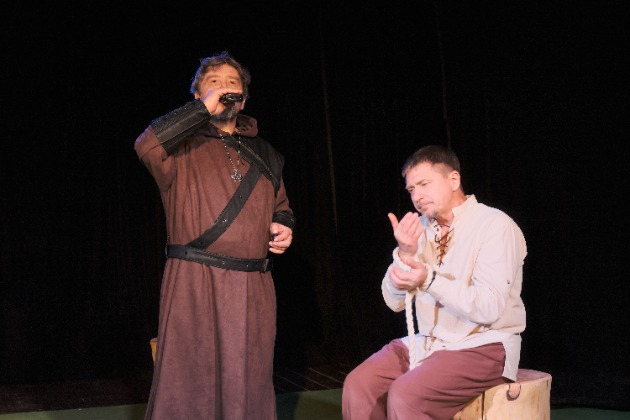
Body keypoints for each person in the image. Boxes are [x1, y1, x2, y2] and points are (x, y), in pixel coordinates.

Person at [134, 51, 295, 420]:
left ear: (244, 99)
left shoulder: (267, 154)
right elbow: (146, 146)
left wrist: (283, 223)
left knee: (248, 379)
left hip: (252, 286)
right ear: (198, 96)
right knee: (190, 380)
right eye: (214, 83)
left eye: (232, 83)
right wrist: (202, 111)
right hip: (194, 280)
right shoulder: (178, 148)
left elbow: (281, 204)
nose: (224, 88)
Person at [342, 145, 526, 419]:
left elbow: (488, 307)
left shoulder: (494, 225)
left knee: (407, 394)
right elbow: (393, 302)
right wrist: (405, 254)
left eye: (424, 184)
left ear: (453, 180)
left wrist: (429, 280)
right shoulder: (420, 229)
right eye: (411, 189)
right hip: (429, 343)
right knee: (359, 384)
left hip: (484, 345)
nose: (417, 196)